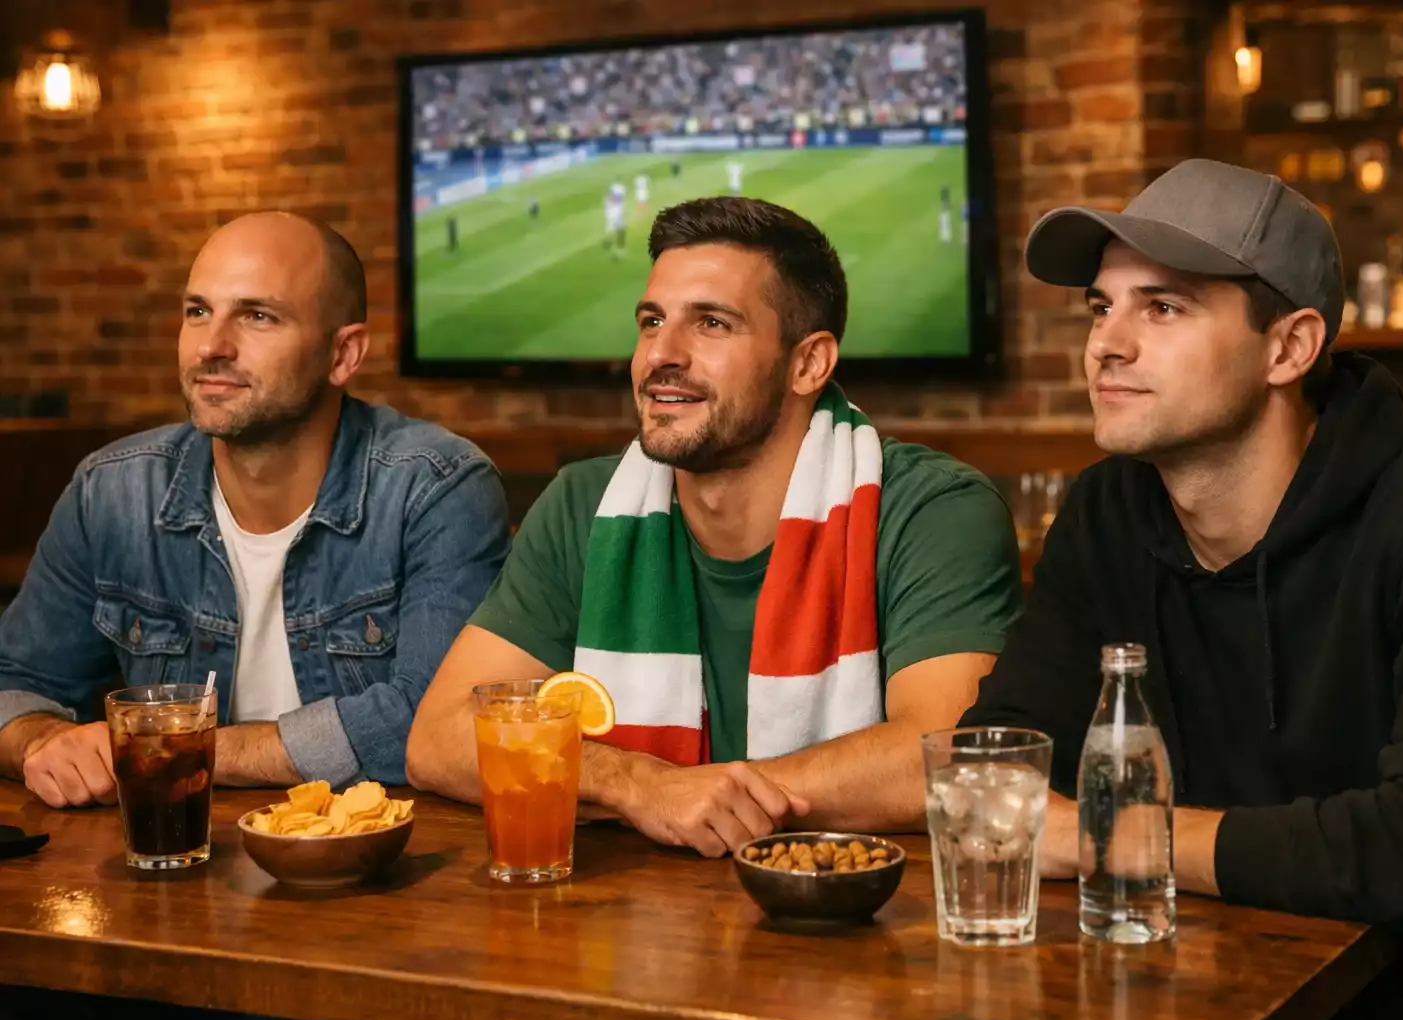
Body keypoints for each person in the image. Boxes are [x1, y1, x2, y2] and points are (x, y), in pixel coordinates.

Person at [960, 158, 1403, 1018]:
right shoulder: (1107, 513)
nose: (1106, 343)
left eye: (1162, 307)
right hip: (1177, 995)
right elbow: (996, 770)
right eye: (1101, 306)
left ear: (1289, 347)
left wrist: (1110, 838)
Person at [407, 196, 1023, 856]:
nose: (660, 355)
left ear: (808, 363)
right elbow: (439, 737)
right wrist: (637, 784)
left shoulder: (932, 509)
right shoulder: (583, 504)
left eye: (712, 324)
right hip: (617, 932)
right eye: (651, 321)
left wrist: (706, 796)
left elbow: (949, 754)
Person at [0, 212, 510, 807]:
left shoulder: (434, 488)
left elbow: (434, 725)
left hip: (379, 870)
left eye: (258, 316)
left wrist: (180, 746)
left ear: (343, 354)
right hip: (170, 862)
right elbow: (17, 682)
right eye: (198, 312)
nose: (213, 346)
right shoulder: (112, 491)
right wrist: (42, 741)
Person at [602, 181, 627, 259]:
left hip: (615, 216)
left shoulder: (610, 200)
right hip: (613, 217)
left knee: (619, 230)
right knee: (614, 230)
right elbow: (618, 200)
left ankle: (613, 244)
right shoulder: (611, 200)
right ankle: (610, 243)